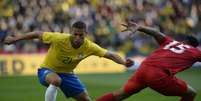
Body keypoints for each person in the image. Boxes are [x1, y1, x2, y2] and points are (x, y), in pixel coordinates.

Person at [3, 21, 134, 101]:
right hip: (47, 70)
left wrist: (124, 62)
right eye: (75, 34)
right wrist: (15, 39)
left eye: (80, 35)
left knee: (86, 100)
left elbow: (109, 54)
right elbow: (38, 34)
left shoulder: (89, 46)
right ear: (71, 32)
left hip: (68, 75)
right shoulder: (59, 38)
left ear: (86, 34)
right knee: (56, 80)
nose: (77, 37)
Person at [96, 21, 201, 101]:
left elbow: (155, 32)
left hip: (144, 68)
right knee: (191, 93)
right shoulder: (195, 51)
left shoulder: (171, 42)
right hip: (158, 74)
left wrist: (140, 27)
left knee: (119, 94)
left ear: (184, 41)